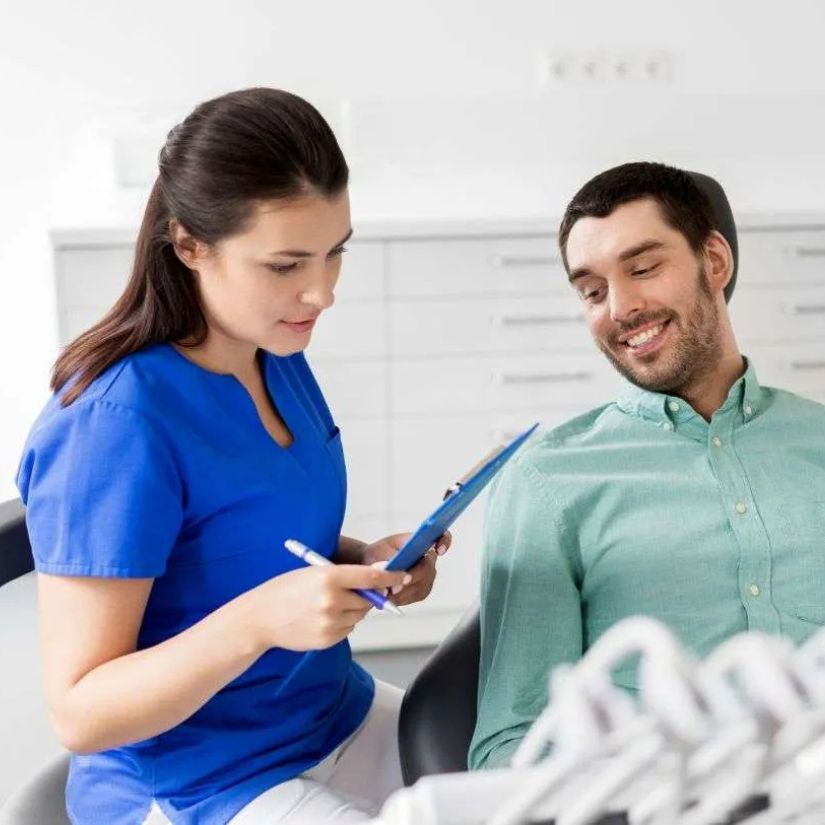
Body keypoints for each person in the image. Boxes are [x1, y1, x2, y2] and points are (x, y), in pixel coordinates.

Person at [16, 87, 451, 824]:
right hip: (197, 781)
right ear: (189, 244)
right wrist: (259, 620)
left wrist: (364, 562)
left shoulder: (272, 351)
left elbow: (239, 535)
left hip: (326, 713)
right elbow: (82, 712)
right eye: (285, 264)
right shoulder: (113, 424)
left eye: (334, 252)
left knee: (516, 794)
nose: (322, 291)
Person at [468, 161, 825, 770]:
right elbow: (511, 746)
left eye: (643, 268)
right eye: (592, 290)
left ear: (714, 262)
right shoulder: (547, 482)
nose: (621, 307)